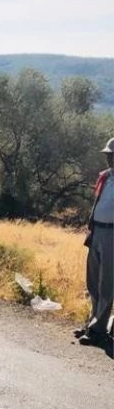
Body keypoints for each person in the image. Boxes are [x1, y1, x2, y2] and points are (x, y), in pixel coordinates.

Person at [76, 137, 114, 346]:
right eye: (108, 155)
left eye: (112, 156)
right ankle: (92, 324)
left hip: (112, 234)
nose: (109, 159)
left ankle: (99, 330)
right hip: (98, 231)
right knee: (93, 282)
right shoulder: (105, 178)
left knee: (106, 283)